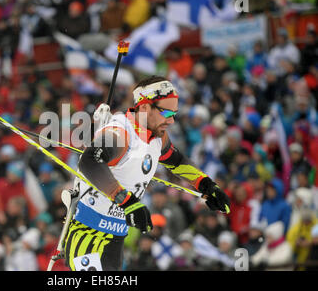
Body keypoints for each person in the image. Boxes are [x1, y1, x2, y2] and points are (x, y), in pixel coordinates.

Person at [63, 76, 230, 271]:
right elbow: (90, 161)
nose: (171, 120)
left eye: (174, 113)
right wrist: (126, 201)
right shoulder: (120, 132)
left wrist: (206, 184)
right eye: (166, 112)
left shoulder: (156, 135)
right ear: (144, 108)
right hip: (89, 233)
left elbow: (175, 161)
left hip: (115, 234)